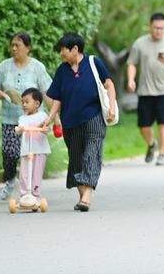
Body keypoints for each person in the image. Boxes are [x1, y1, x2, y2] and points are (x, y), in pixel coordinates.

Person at [44, 33, 117, 212]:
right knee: (76, 160)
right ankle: (83, 195)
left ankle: (86, 198)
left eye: (63, 49)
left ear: (75, 49)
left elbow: (109, 85)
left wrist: (112, 108)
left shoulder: (93, 62)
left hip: (93, 118)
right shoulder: (62, 71)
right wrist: (50, 118)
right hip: (70, 122)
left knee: (91, 154)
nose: (61, 53)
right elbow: (57, 99)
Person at [0, 32, 53, 200]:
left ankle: (31, 190)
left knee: (30, 156)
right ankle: (10, 181)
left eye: (17, 45)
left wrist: (54, 114)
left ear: (28, 48)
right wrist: (2, 94)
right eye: (12, 45)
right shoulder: (4, 66)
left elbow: (47, 92)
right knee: (9, 153)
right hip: (10, 119)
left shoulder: (37, 67)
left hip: (33, 122)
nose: (13, 48)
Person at [127, 12, 164, 166]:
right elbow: (132, 63)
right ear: (150, 27)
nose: (159, 31)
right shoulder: (139, 43)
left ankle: (162, 154)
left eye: (162, 28)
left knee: (163, 124)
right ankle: (152, 144)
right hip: (145, 90)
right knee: (143, 125)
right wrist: (131, 79)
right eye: (156, 28)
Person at [14, 88, 51, 203]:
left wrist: (45, 129)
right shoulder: (22, 119)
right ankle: (24, 195)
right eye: (22, 102)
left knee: (37, 174)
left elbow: (46, 128)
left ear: (37, 104)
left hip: (40, 151)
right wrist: (19, 129)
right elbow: (19, 129)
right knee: (24, 174)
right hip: (26, 151)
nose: (24, 105)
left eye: (27, 102)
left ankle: (35, 195)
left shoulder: (42, 116)